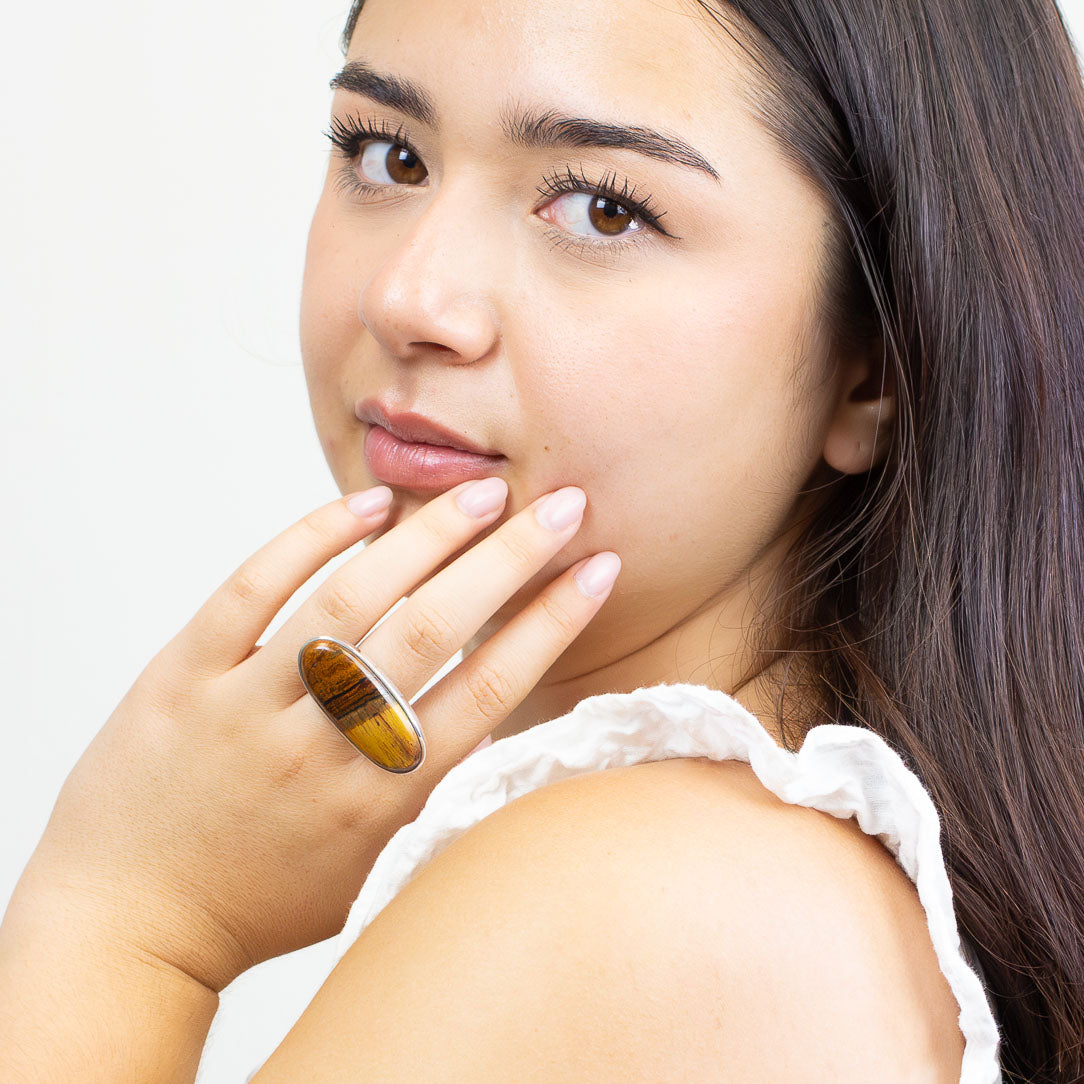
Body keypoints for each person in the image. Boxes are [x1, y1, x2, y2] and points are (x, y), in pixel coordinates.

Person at [1, 0, 1081, 1078]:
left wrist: (128, 916)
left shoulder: (657, 900)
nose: (406, 297)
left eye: (604, 210)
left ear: (874, 365)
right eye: (386, 154)